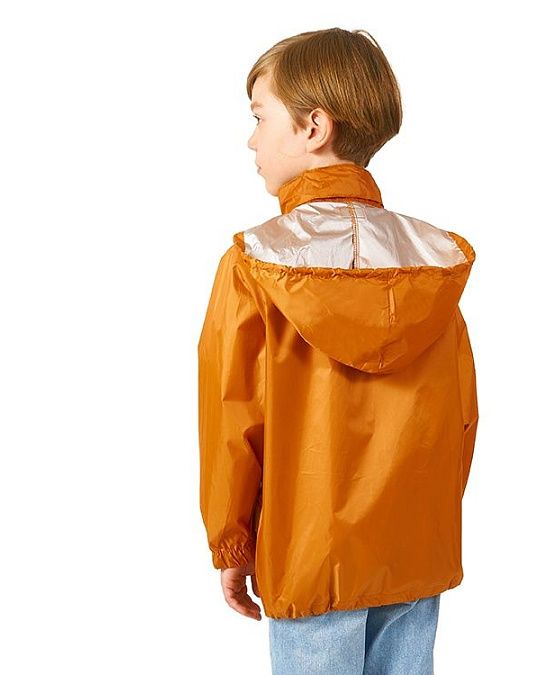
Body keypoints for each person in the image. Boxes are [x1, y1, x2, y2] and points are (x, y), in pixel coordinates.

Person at [197, 27, 479, 675]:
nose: (251, 140)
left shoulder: (253, 263)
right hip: (414, 552)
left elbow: (232, 416)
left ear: (313, 127)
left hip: (309, 555)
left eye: (260, 117)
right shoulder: (432, 264)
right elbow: (460, 417)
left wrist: (233, 542)